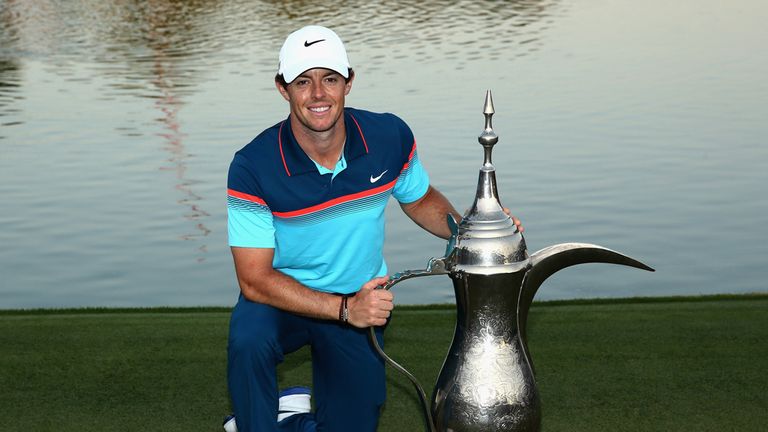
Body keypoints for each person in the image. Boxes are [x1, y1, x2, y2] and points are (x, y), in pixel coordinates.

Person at [225, 25, 521, 432]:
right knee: (248, 342)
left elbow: (418, 199)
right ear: (283, 88)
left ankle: (290, 418)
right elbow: (254, 280)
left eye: (330, 79)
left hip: (359, 295)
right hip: (281, 300)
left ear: (349, 81)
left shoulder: (388, 137)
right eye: (303, 81)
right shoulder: (253, 166)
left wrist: (473, 229)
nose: (318, 94)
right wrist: (344, 310)